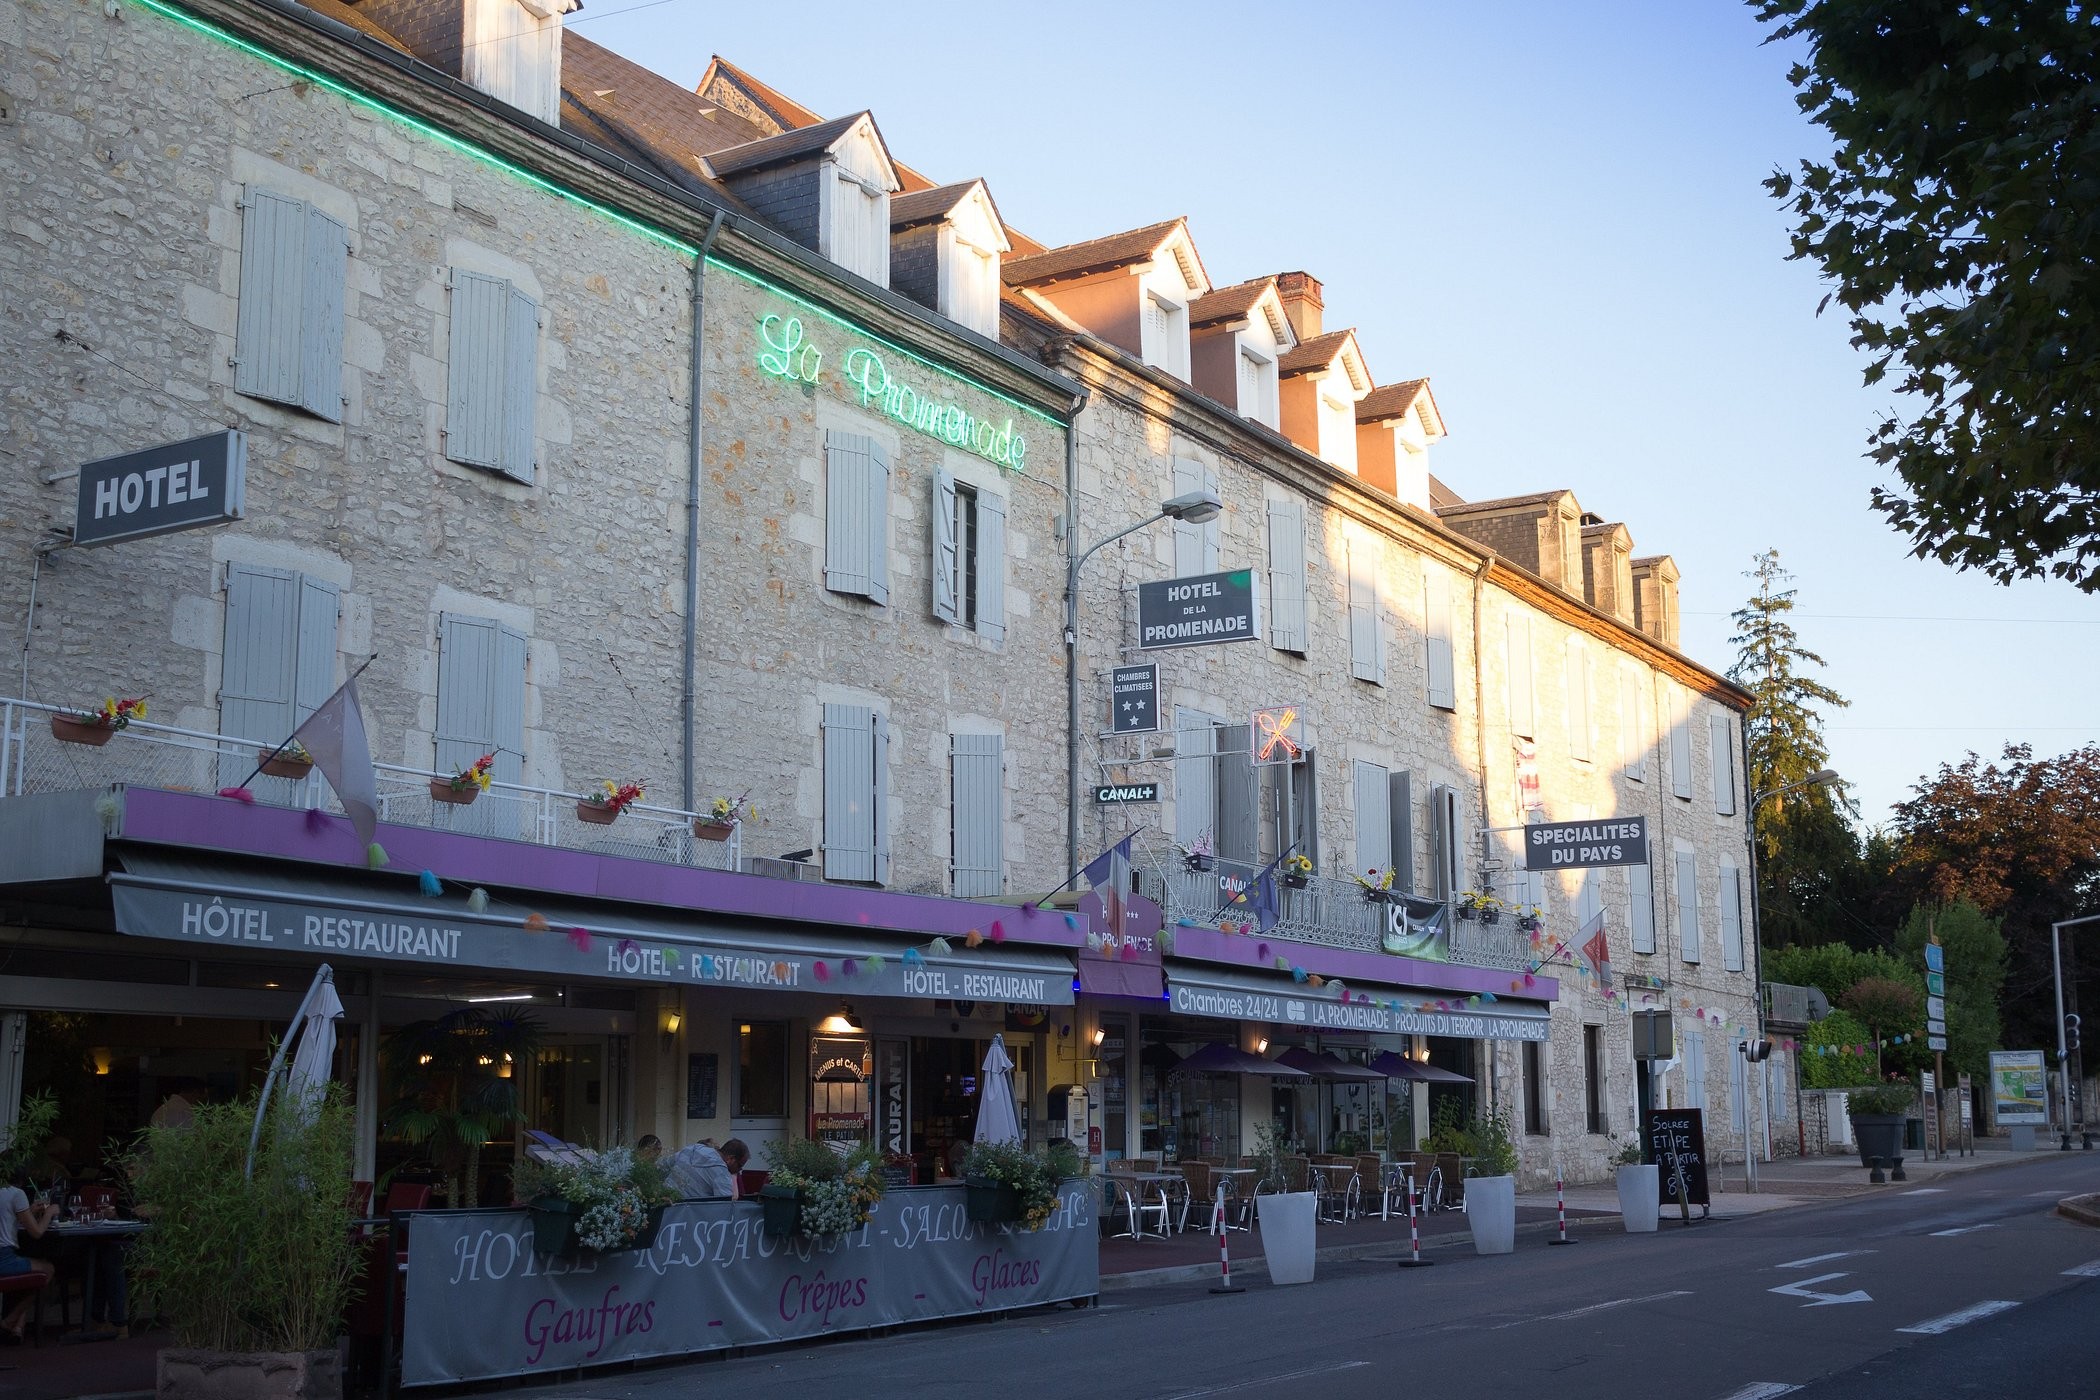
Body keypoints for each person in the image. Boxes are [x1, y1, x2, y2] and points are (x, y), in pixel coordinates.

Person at [0, 1180, 58, 1344]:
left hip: (7, 1255)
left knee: (28, 1262)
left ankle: (16, 1324)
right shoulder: (15, 1193)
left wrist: (28, 1211)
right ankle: (11, 1320)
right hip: (4, 1258)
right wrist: (49, 1213)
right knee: (48, 1269)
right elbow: (37, 1232)